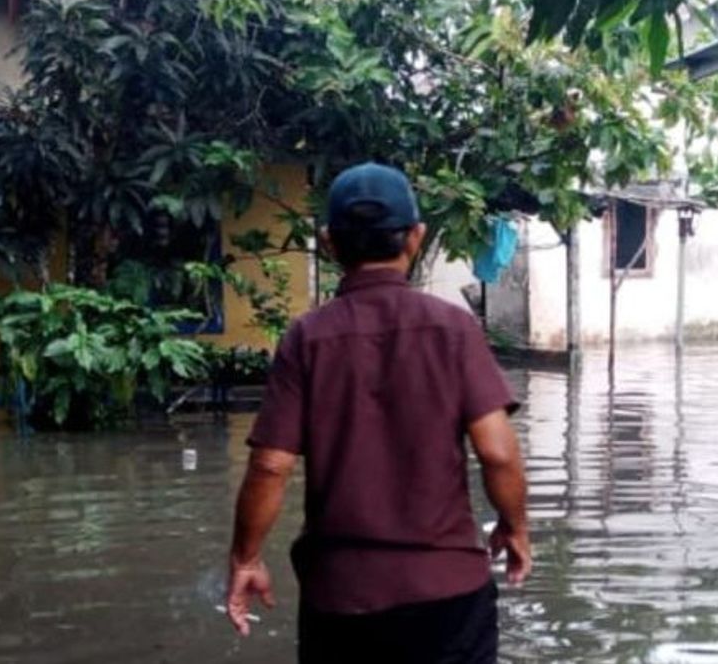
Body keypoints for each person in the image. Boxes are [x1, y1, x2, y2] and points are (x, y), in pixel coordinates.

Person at [225, 162, 531, 663]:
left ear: (328, 243)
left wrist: (246, 558)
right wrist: (515, 528)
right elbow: (497, 453)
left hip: (343, 600)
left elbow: (270, 465)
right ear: (415, 237)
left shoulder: (306, 338)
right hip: (448, 594)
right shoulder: (453, 328)